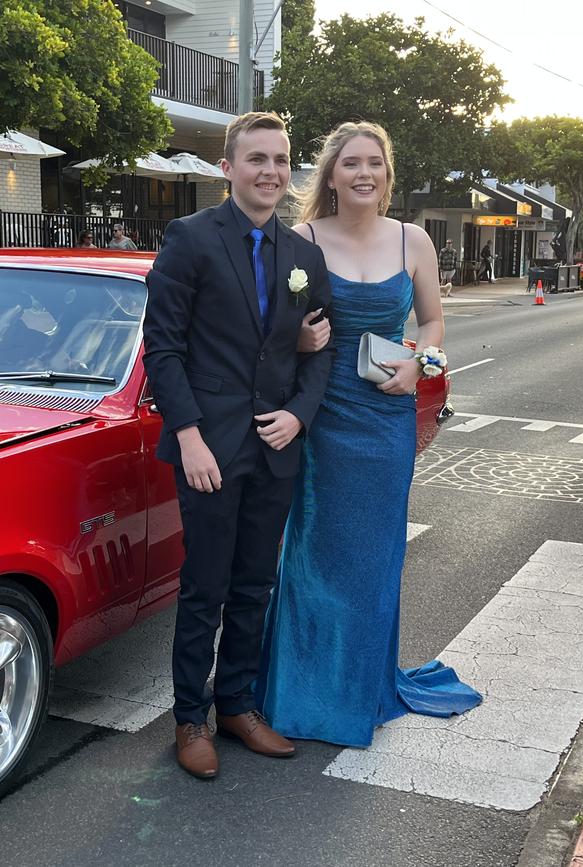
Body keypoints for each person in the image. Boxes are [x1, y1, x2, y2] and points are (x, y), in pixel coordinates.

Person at [255, 121, 481, 748]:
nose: (363, 173)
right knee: (310, 554)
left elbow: (432, 322)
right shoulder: (301, 238)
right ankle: (300, 689)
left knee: (373, 559)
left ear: (387, 175)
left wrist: (421, 363)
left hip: (384, 422)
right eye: (350, 163)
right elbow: (270, 328)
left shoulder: (413, 241)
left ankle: (358, 687)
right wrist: (298, 338)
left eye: (374, 164)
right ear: (330, 174)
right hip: (318, 416)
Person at [143, 111, 334, 778]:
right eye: (257, 159)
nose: (271, 172)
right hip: (209, 449)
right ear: (228, 168)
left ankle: (236, 704)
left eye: (280, 160)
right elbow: (162, 349)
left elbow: (320, 352)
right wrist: (188, 436)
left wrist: (300, 416)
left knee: (254, 584)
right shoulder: (190, 238)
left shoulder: (303, 256)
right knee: (205, 587)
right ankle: (189, 718)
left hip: (276, 448)